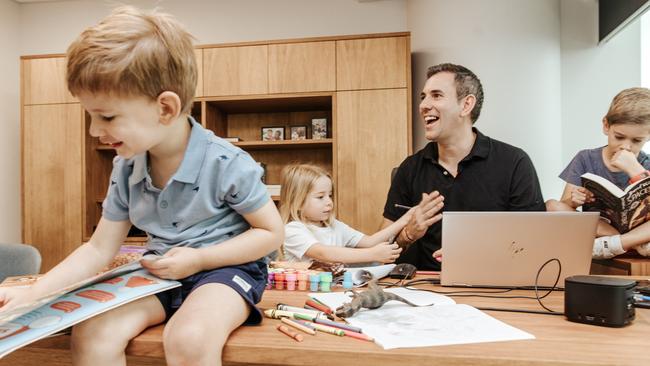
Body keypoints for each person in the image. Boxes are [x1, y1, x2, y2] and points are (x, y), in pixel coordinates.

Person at [0, 6, 283, 366]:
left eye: (107, 116)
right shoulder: (126, 167)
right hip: (160, 272)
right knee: (92, 333)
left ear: (165, 108)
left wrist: (199, 258)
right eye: (91, 115)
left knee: (189, 338)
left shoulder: (226, 163)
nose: (93, 130)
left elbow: (271, 234)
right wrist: (34, 294)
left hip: (226, 269)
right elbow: (98, 248)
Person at [381, 63, 545, 270]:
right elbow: (380, 250)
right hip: (425, 290)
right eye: (423, 97)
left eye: (437, 95)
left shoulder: (514, 162)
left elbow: (533, 243)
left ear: (466, 105)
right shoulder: (410, 168)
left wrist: (473, 252)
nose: (423, 105)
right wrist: (407, 235)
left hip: (495, 285)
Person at [546, 87, 650, 259]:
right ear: (606, 126)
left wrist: (635, 171)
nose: (626, 146)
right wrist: (574, 199)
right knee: (551, 206)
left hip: (637, 230)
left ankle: (618, 244)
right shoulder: (585, 158)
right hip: (602, 229)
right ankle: (628, 243)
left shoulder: (645, 163)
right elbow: (564, 205)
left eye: (636, 141)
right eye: (619, 137)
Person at [280, 164, 412, 264]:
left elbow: (370, 241)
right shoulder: (293, 230)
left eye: (330, 195)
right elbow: (323, 253)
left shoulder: (334, 226)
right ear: (297, 202)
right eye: (320, 197)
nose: (329, 202)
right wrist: (372, 254)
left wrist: (405, 219)